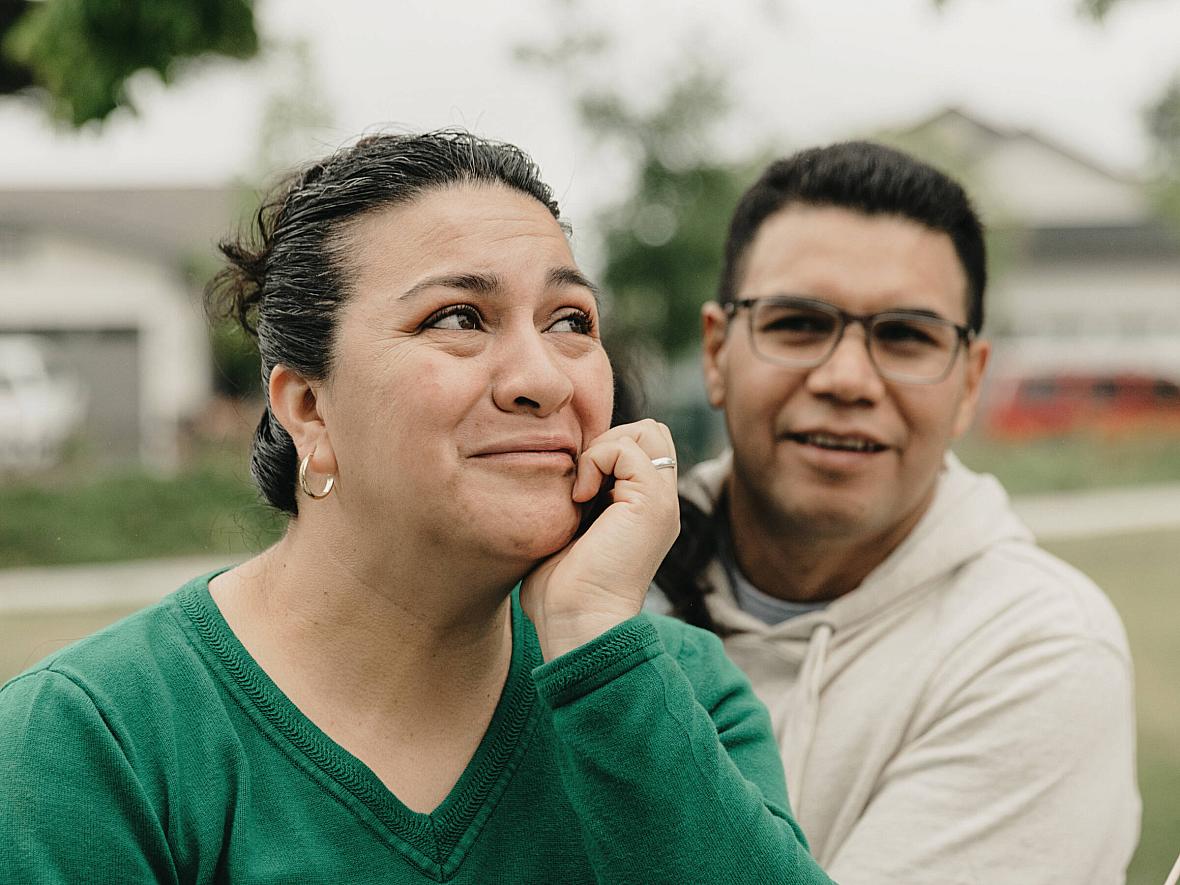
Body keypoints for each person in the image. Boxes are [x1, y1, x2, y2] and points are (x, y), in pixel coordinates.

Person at [0, 132, 832, 884]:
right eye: (459, 318)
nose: (542, 378)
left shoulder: (670, 692)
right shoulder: (89, 740)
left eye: (570, 320)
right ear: (308, 407)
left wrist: (594, 639)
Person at [653, 141, 1140, 884]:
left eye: (907, 336)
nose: (847, 378)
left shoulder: (1039, 649)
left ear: (970, 383)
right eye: (798, 323)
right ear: (718, 351)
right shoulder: (586, 588)